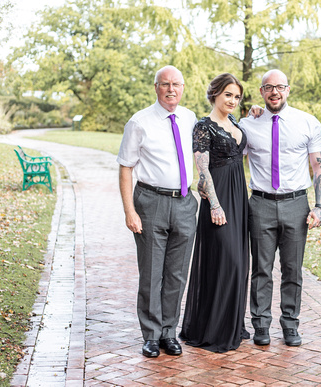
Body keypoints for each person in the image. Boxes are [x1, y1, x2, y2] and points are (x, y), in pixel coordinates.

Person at [239, 69, 321, 347]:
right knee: (261, 269)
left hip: (296, 205)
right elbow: (229, 158)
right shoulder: (247, 125)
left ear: (288, 89)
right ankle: (261, 325)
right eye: (268, 87)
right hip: (261, 204)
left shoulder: (307, 123)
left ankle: (290, 325)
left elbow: (319, 167)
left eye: (279, 86)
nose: (274, 92)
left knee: (293, 270)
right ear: (261, 91)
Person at [117, 65, 197, 358]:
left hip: (185, 204)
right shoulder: (139, 122)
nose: (171, 89)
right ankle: (151, 335)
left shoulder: (189, 118)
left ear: (183, 87)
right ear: (156, 87)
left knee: (177, 274)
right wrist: (130, 211)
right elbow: (125, 167)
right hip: (151, 202)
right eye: (165, 84)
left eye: (176, 84)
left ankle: (169, 332)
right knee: (151, 272)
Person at [179, 73, 250, 353]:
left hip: (238, 196)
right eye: (228, 95)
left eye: (236, 96)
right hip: (218, 197)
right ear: (215, 95)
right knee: (226, 261)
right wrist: (215, 204)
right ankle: (213, 329)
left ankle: (231, 324)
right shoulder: (203, 126)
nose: (232, 100)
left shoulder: (234, 122)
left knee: (239, 263)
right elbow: (203, 168)